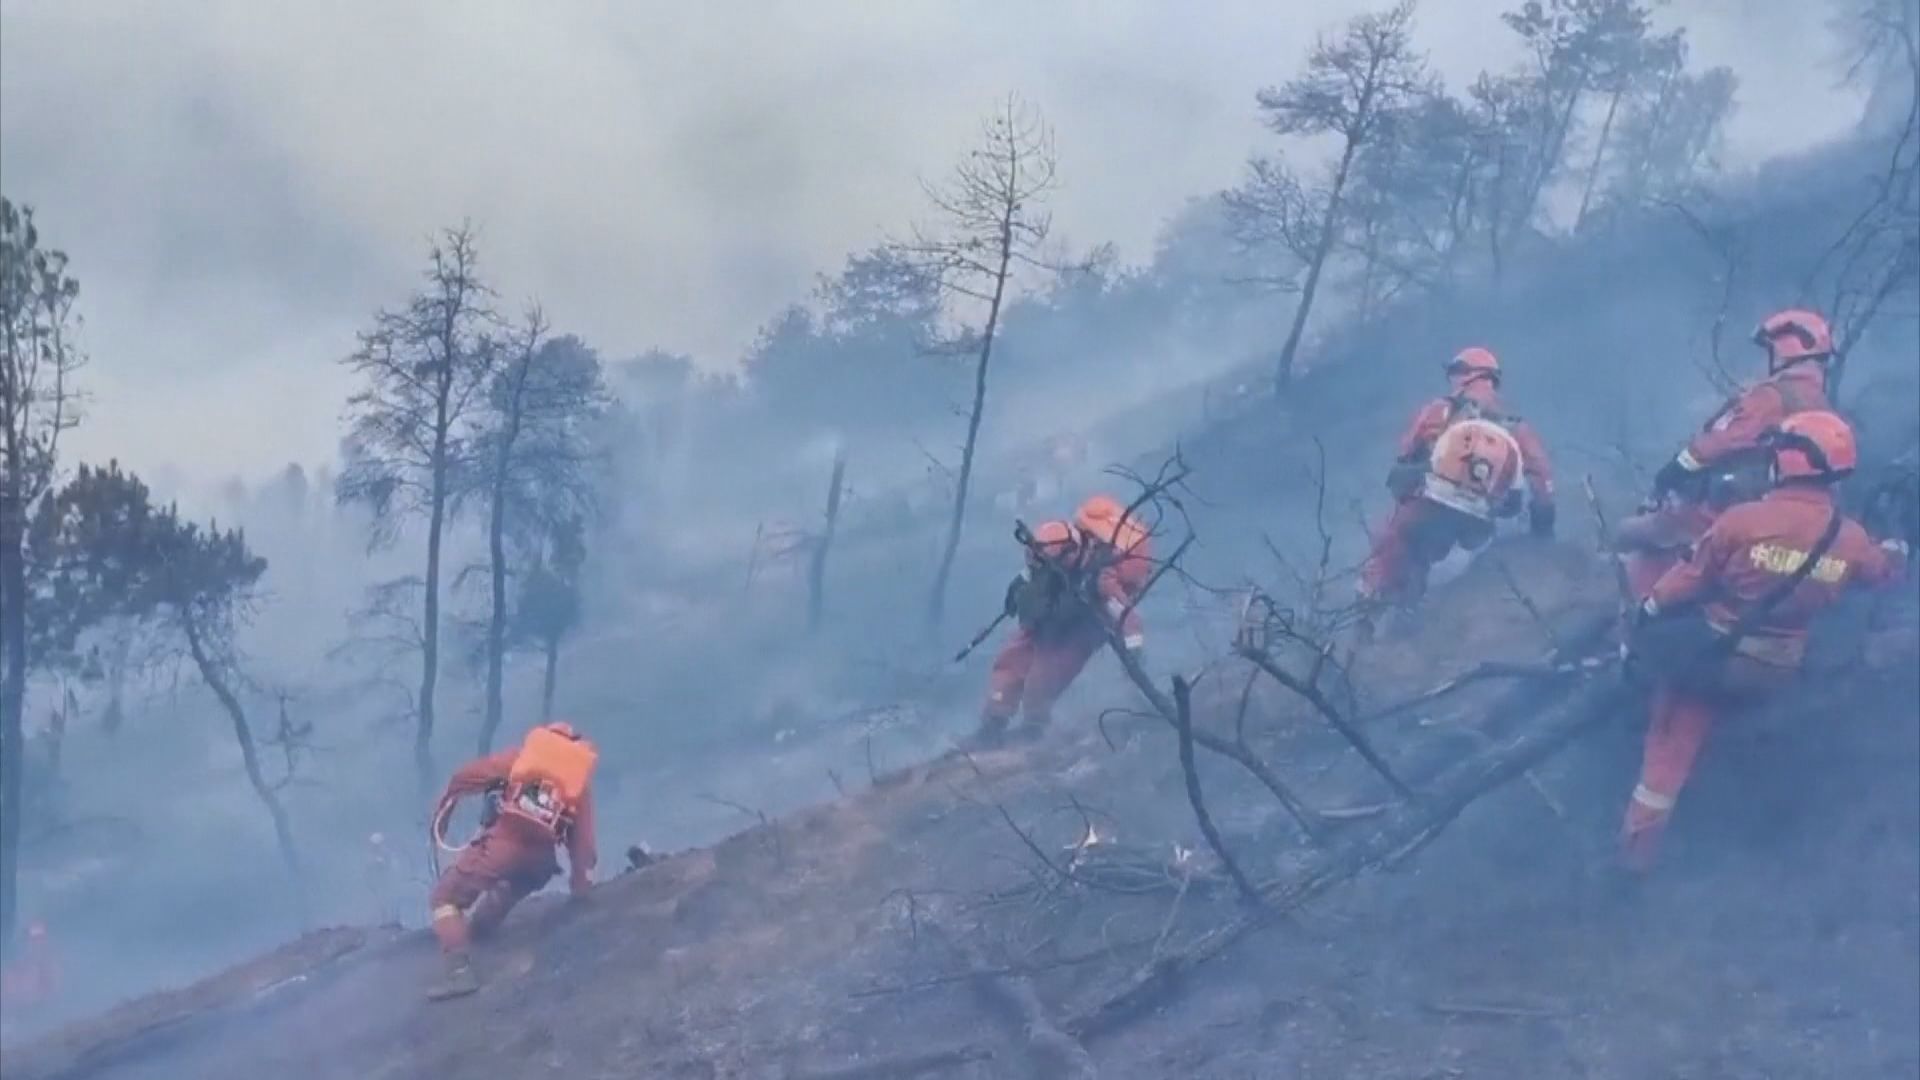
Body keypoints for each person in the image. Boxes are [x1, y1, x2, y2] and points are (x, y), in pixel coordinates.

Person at [1620, 411, 1907, 872]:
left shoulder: (1743, 521)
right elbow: (1881, 575)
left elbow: (1686, 581)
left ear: (1787, 461)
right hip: (1782, 667)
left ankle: (1634, 860)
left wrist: (1646, 611)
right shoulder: (1850, 538)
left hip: (1718, 658)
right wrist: (1896, 550)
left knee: (1667, 750)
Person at [1617, 309, 1837, 598]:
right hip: (1776, 518)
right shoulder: (1822, 406)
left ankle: (1638, 613)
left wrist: (1674, 470)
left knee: (1631, 533)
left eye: (1769, 351)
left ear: (1784, 351)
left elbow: (1720, 442)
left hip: (1723, 511)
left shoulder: (1770, 397)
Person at [1359, 347, 1555, 611]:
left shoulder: (1438, 410)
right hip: (1478, 524)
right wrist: (1544, 532)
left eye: (1455, 372)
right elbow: (1541, 478)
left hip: (1429, 506)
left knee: (1399, 544)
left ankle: (1372, 616)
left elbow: (1407, 450)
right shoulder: (1516, 426)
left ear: (1466, 375)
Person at [426, 721, 598, 1000]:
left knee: (444, 899)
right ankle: (480, 933)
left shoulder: (517, 761)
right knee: (508, 888)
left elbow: (462, 777)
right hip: (540, 863)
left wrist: (441, 819)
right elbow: (584, 846)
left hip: (501, 849)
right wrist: (581, 889)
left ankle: (459, 973)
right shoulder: (577, 788)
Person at [977, 494, 1151, 743]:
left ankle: (1033, 728)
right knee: (1012, 657)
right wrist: (1019, 587)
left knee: (1048, 670)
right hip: (1057, 608)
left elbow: (1126, 618)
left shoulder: (1103, 577)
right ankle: (993, 722)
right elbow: (1033, 571)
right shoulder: (1050, 550)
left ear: (1069, 555)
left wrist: (1135, 653)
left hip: (1087, 619)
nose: (1040, 568)